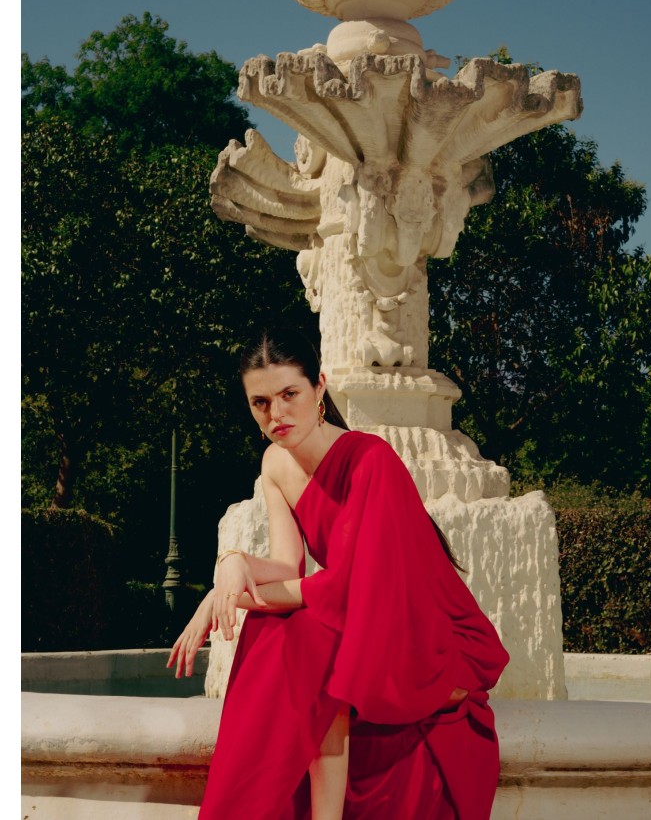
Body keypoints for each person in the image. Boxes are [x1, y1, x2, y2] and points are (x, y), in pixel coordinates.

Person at [168, 328, 509, 819]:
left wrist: (223, 600)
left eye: (289, 394)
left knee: (306, 634)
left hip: (427, 632)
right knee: (281, 629)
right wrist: (233, 564)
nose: (276, 414)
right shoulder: (274, 464)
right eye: (260, 402)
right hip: (365, 613)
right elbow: (287, 566)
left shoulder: (371, 460)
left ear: (320, 388)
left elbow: (350, 586)